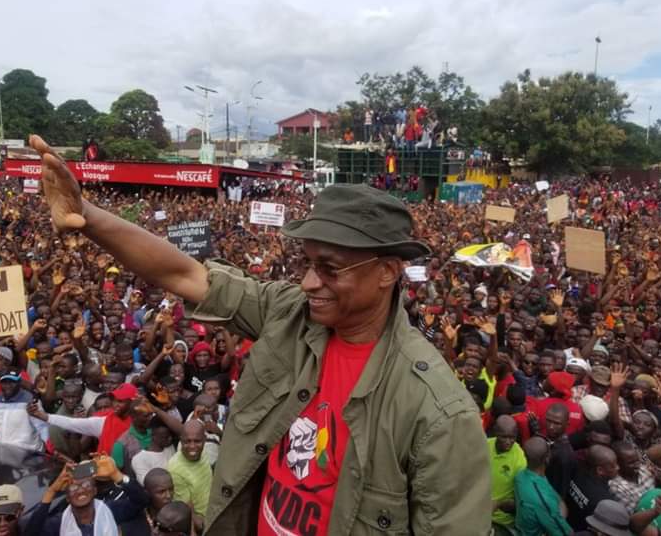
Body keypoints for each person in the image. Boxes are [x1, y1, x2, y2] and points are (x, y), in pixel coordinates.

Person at [31, 135, 491, 534]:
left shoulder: (437, 411)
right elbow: (186, 274)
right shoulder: (290, 312)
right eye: (306, 263)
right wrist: (88, 214)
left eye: (330, 268)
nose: (310, 282)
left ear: (389, 271)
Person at [28, 382, 138, 454]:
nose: (115, 404)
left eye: (120, 401)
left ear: (133, 401)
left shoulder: (144, 421)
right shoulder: (104, 421)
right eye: (114, 400)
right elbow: (71, 423)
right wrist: (44, 416)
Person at [0, 370, 48, 451]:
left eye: (12, 382)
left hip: (29, 456)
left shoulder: (31, 401)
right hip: (4, 454)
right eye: (4, 382)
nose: (8, 386)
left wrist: (51, 450)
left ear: (19, 383)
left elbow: (43, 428)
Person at [514, 437, 572, 536]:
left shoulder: (519, 477)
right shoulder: (542, 499)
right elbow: (566, 533)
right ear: (547, 458)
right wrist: (559, 514)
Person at [167, 420, 212, 534]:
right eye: (187, 442)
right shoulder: (175, 469)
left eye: (197, 441)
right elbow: (188, 512)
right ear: (181, 440)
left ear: (205, 440)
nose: (192, 447)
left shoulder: (203, 454)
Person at [566, 445, 619, 531]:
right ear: (600, 470)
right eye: (613, 466)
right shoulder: (604, 501)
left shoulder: (576, 469)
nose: (618, 468)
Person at [488, 415, 527, 533]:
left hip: (500, 523)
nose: (508, 442)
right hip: (477, 513)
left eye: (512, 437)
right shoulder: (485, 445)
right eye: (503, 437)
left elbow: (521, 500)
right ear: (495, 432)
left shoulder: (520, 461)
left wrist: (499, 505)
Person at [120, 467, 175, 535]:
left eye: (171, 489)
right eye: (161, 492)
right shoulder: (133, 523)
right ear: (147, 493)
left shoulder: (180, 516)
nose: (168, 496)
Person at [131, 419, 177, 486]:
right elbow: (147, 484)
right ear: (153, 437)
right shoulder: (139, 459)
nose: (170, 439)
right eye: (165, 437)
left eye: (170, 436)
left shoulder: (169, 447)